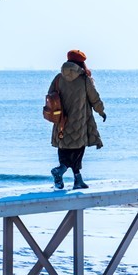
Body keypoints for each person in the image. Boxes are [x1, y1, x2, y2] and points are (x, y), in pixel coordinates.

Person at [45, 49, 106, 190]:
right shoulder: (84, 79)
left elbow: (50, 95)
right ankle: (62, 171)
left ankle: (72, 178)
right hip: (79, 122)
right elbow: (94, 98)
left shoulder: (58, 78)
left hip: (61, 121)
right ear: (81, 62)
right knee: (78, 149)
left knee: (64, 148)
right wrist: (101, 111)